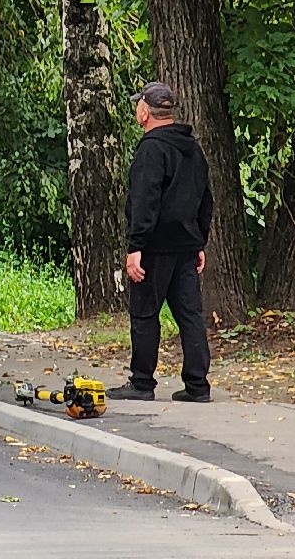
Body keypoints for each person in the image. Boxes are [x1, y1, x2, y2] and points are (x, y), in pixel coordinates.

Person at [109, 81, 214, 403]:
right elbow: (204, 199)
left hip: (154, 246)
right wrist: (199, 242)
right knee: (190, 316)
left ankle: (142, 382)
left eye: (137, 105)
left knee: (144, 314)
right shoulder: (192, 149)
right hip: (185, 245)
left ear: (144, 110)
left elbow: (145, 200)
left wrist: (135, 247)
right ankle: (198, 386)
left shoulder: (151, 149)